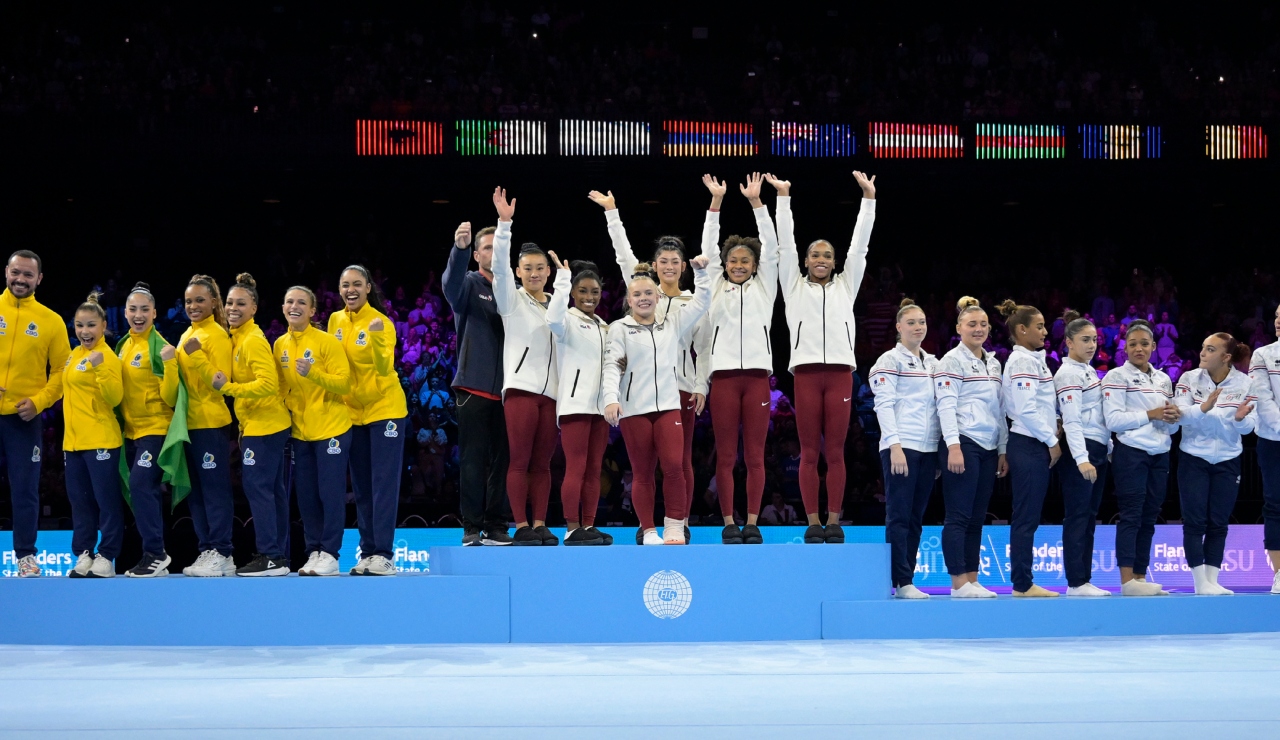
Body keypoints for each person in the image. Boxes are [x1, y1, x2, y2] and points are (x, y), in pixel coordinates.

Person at [591, 188, 709, 544]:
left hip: (680, 392)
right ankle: (648, 529)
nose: (669, 266)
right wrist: (613, 212)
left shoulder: (682, 311)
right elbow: (623, 255)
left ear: (683, 266)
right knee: (644, 470)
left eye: (676, 260)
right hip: (637, 400)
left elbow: (703, 338)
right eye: (663, 261)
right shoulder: (628, 316)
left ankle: (678, 523)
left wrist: (701, 384)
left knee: (679, 464)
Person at [775, 170, 876, 544]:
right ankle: (812, 521)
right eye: (815, 254)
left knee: (835, 450)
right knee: (809, 450)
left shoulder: (846, 285)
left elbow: (860, 247)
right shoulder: (793, 285)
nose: (821, 259)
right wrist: (783, 198)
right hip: (805, 374)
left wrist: (868, 200)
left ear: (835, 263)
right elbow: (784, 244)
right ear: (805, 261)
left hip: (839, 376)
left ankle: (834, 520)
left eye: (827, 255)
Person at [699, 172, 780, 545]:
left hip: (758, 380)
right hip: (725, 380)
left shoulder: (765, 287)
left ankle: (752, 521)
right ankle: (729, 521)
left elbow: (773, 248)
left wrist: (757, 204)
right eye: (733, 259)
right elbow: (708, 248)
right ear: (726, 263)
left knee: (756, 456)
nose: (739, 264)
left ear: (754, 264)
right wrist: (715, 203)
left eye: (746, 259)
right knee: (727, 455)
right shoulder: (715, 285)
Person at [491, 186, 561, 545]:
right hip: (520, 390)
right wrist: (505, 226)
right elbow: (498, 270)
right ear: (518, 272)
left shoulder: (559, 304)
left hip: (552, 395)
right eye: (527, 268)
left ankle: (538, 523)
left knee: (543, 464)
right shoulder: (511, 301)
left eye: (540, 268)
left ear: (549, 271)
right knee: (519, 460)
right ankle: (519, 525)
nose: (534, 273)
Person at [329, 265, 409, 575]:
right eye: (345, 284)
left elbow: (383, 367)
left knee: (382, 485)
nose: (351, 289)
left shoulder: (381, 322)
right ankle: (368, 552)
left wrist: (375, 339)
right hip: (353, 414)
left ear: (367, 288)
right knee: (361, 487)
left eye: (357, 284)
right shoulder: (335, 321)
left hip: (384, 410)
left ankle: (384, 554)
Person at [212, 274, 292, 577]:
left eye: (240, 304)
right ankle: (277, 556)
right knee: (270, 490)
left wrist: (228, 388)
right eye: (230, 303)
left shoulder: (253, 341)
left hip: (265, 425)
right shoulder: (237, 337)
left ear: (254, 308)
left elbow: (268, 385)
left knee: (258, 488)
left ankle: (271, 556)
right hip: (260, 425)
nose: (233, 308)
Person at [0, 250, 72, 577]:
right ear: (6, 272)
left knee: (25, 489)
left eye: (28, 275)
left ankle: (25, 556)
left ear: (39, 279)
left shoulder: (51, 321)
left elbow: (61, 372)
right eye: (16, 272)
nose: (21, 279)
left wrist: (39, 402)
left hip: (23, 419)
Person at [275, 286, 352, 576]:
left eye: (301, 303)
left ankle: (330, 553)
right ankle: (314, 551)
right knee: (306, 496)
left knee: (329, 494)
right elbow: (283, 388)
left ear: (312, 311)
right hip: (301, 432)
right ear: (283, 307)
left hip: (332, 428)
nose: (294, 306)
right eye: (289, 301)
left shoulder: (326, 342)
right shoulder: (279, 344)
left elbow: (344, 384)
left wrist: (314, 373)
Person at [444, 217, 512, 546]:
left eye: (498, 246)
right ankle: (472, 527)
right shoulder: (469, 284)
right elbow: (450, 286)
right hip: (473, 387)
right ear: (477, 255)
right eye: (487, 247)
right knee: (472, 460)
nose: (493, 251)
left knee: (504, 462)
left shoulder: (514, 290)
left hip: (509, 392)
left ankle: (497, 525)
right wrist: (459, 250)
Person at [935, 297, 1007, 598]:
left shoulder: (993, 362)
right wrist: (953, 446)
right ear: (959, 328)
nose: (978, 329)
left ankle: (973, 579)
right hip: (963, 442)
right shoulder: (951, 361)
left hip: (989, 447)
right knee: (959, 515)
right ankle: (958, 582)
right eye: (972, 324)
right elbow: (946, 406)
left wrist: (1003, 448)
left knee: (978, 516)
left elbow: (1000, 409)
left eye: (983, 325)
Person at [1173, 333, 1257, 595]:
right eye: (1202, 347)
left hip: (1228, 459)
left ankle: (1212, 581)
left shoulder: (1245, 384)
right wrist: (1204, 409)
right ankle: (1200, 584)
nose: (1202, 353)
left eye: (1210, 349)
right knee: (1195, 522)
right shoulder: (1188, 379)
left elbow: (1247, 428)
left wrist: (1241, 419)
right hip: (1193, 457)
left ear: (1226, 357)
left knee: (1219, 522)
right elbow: (1179, 416)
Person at [1102, 320, 1180, 596]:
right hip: (1131, 453)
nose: (1138, 348)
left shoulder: (1163, 379)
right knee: (1132, 515)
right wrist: (1151, 414)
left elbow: (1171, 423)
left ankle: (1140, 576)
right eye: (1133, 344)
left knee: (1149, 516)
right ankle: (1126, 581)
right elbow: (1113, 419)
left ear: (1153, 347)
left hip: (1160, 454)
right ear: (1124, 347)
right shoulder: (1115, 377)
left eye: (1144, 344)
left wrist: (1173, 419)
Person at [870, 299, 940, 599]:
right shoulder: (888, 360)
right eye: (911, 322)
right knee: (899, 515)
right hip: (901, 447)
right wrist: (894, 445)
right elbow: (883, 405)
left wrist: (937, 451)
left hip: (928, 449)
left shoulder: (934, 363)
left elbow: (940, 408)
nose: (918, 327)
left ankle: (907, 578)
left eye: (922, 322)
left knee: (915, 517)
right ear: (899, 327)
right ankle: (899, 581)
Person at [115, 282, 184, 578]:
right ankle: (151, 554)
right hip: (130, 433)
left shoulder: (160, 346)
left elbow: (171, 397)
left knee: (142, 484)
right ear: (126, 312)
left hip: (155, 430)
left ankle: (156, 554)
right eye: (133, 309)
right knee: (138, 489)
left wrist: (170, 365)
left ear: (155, 313)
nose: (138, 314)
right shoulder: (123, 346)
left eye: (145, 309)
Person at [997, 299, 1061, 598]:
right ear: (1022, 330)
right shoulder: (1022, 362)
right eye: (1039, 326)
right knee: (1025, 517)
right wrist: (1052, 440)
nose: (1046, 331)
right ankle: (1022, 583)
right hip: (1028, 444)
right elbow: (1025, 410)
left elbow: (1041, 406)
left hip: (1033, 443)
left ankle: (1024, 581)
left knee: (1029, 516)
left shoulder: (1033, 360)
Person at [546, 255, 612, 545]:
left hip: (600, 409)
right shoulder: (565, 321)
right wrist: (562, 279)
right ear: (573, 293)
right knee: (576, 467)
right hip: (574, 405)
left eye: (594, 292)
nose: (589, 297)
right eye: (583, 291)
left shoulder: (604, 326)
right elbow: (552, 317)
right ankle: (572, 528)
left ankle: (588, 526)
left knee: (594, 468)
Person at [177, 274, 237, 577]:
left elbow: (220, 382)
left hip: (210, 423)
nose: (193, 306)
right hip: (187, 425)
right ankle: (207, 549)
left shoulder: (217, 335)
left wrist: (197, 356)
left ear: (214, 302)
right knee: (195, 492)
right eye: (188, 301)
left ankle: (223, 551)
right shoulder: (187, 333)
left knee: (214, 490)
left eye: (200, 300)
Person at [63, 293, 126, 578]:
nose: (84, 332)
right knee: (80, 502)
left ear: (103, 326)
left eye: (90, 325)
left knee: (106, 502)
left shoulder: (108, 357)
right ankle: (84, 553)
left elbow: (115, 397)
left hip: (101, 440)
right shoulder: (74, 355)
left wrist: (100, 367)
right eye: (79, 326)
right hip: (73, 443)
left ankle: (107, 555)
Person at [1053, 311, 1111, 597]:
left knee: (1089, 516)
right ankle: (1075, 582)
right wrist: (1082, 458)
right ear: (1068, 343)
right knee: (1077, 516)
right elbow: (1072, 420)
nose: (1091, 345)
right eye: (1084, 340)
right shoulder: (1067, 374)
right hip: (1081, 450)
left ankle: (1084, 580)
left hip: (1097, 447)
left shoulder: (1089, 371)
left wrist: (1107, 447)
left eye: (1094, 340)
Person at [1248, 304, 1280, 594]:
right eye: (1277, 316)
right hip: (1273, 441)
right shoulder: (1263, 355)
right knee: (1276, 505)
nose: (1279, 321)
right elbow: (1263, 399)